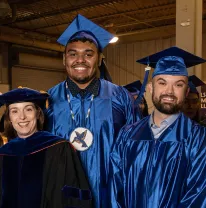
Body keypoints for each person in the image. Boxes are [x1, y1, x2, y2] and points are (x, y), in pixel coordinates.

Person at [45, 14, 138, 206]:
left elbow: (135, 152)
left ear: (99, 59)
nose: (81, 60)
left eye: (88, 54)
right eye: (73, 54)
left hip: (110, 197)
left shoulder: (120, 97)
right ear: (64, 59)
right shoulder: (48, 100)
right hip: (62, 197)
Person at [109, 46, 206, 207]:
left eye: (178, 85)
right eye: (162, 83)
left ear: (186, 92)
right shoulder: (127, 135)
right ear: (150, 88)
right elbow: (115, 191)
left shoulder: (199, 139)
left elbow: (199, 197)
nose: (169, 91)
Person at [0, 88, 93, 207]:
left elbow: (72, 198)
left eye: (28, 109)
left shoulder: (59, 148)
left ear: (37, 113)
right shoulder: (0, 155)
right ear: (9, 118)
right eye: (15, 111)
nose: (22, 117)